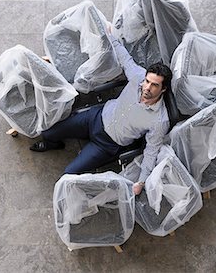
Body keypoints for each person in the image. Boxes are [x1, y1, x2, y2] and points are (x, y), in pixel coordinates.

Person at [30, 34, 171, 195]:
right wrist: (110, 33)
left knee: (68, 174)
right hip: (95, 118)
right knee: (47, 132)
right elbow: (125, 58)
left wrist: (141, 181)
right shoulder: (138, 76)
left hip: (106, 144)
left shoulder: (160, 120)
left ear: (163, 89)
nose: (146, 87)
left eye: (154, 85)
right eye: (147, 81)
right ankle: (54, 144)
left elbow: (151, 152)